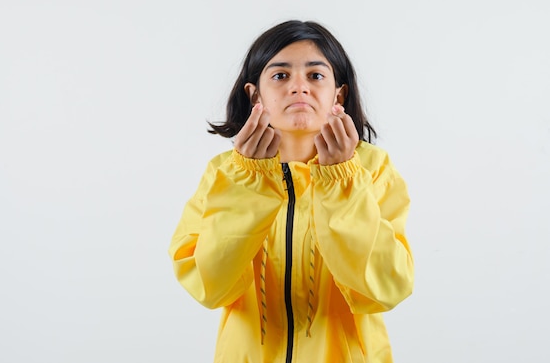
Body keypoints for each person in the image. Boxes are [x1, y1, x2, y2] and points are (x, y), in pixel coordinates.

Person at [168, 20, 414, 363]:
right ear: (255, 94)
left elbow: (389, 287)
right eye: (281, 76)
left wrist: (341, 182)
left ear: (338, 94)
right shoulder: (225, 173)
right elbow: (209, 287)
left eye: (315, 76)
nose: (299, 87)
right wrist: (249, 182)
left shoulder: (371, 170)